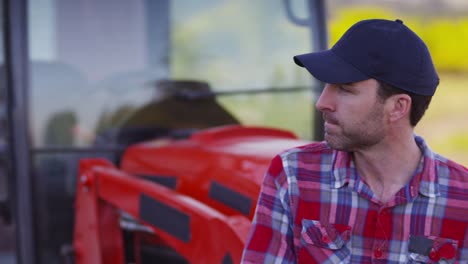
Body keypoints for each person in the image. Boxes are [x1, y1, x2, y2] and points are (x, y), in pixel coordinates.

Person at [241, 18, 468, 263]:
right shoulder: (293, 175)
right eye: (327, 86)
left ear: (398, 107)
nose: (322, 103)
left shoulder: (462, 199)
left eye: (346, 89)